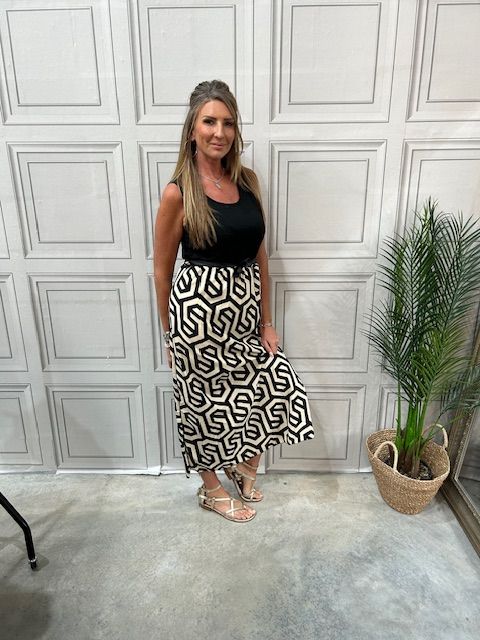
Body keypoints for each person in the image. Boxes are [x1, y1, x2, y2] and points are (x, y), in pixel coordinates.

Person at [154, 80, 315, 523]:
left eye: (227, 123)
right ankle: (211, 489)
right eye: (209, 121)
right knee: (201, 404)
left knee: (274, 384)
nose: (219, 132)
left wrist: (267, 321)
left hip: (245, 314)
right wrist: (169, 334)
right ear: (193, 128)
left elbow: (260, 255)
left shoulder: (247, 182)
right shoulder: (178, 192)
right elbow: (162, 271)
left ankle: (243, 467)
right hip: (198, 315)